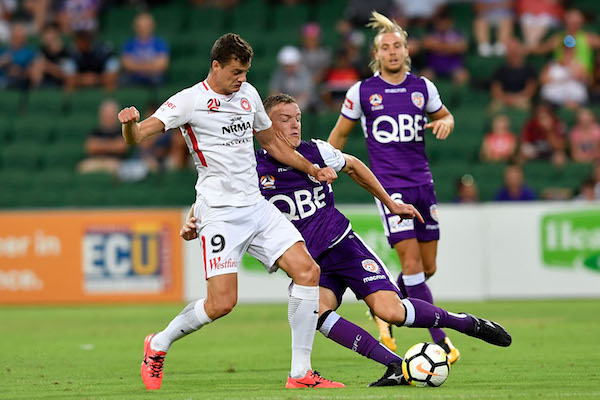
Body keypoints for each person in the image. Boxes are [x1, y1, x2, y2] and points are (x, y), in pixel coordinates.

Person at [181, 93, 512, 387]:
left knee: (392, 312)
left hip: (344, 246)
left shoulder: (317, 151)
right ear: (263, 125)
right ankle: (395, 366)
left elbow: (354, 166)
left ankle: (467, 323)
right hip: (309, 265)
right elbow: (216, 190)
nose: (295, 125)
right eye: (285, 120)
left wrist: (391, 203)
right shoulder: (251, 168)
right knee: (317, 314)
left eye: (297, 118)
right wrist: (194, 216)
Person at [118, 33, 343, 390]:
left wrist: (311, 169)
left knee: (307, 270)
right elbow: (139, 135)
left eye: (246, 72)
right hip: (220, 213)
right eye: (236, 72)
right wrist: (130, 124)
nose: (242, 79)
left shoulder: (249, 95)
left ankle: (300, 373)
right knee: (222, 303)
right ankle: (158, 343)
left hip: (256, 205)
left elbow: (271, 143)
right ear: (216, 65)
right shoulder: (189, 101)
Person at [328, 11, 460, 363]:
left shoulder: (423, 88)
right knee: (413, 263)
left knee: (427, 268)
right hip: (390, 190)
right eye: (385, 47)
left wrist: (446, 122)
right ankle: (441, 341)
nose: (391, 52)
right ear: (377, 55)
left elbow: (444, 116)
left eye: (397, 45)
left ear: (406, 50)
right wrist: (320, 168)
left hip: (423, 185)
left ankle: (382, 306)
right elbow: (339, 136)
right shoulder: (362, 92)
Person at [78, 99, 128, 174]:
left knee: (114, 167)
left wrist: (100, 144)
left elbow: (121, 147)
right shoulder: (95, 131)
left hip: (115, 161)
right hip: (97, 160)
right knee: (82, 167)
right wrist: (112, 144)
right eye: (106, 114)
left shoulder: (122, 131)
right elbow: (90, 147)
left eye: (110, 115)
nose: (108, 117)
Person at [121, 12, 169, 87]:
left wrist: (138, 66)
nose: (143, 29)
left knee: (157, 79)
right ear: (135, 27)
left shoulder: (159, 43)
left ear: (152, 26)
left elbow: (162, 64)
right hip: (134, 76)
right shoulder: (129, 44)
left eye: (146, 26)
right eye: (140, 26)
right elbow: (126, 64)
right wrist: (149, 66)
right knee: (123, 80)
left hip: (153, 75)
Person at [490, 38, 537, 111]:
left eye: (515, 49)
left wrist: (516, 98)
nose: (513, 52)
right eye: (510, 50)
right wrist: (506, 98)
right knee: (494, 107)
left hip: (521, 99)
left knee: (526, 105)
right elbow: (496, 89)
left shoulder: (529, 69)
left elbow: (530, 90)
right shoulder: (501, 69)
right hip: (503, 99)